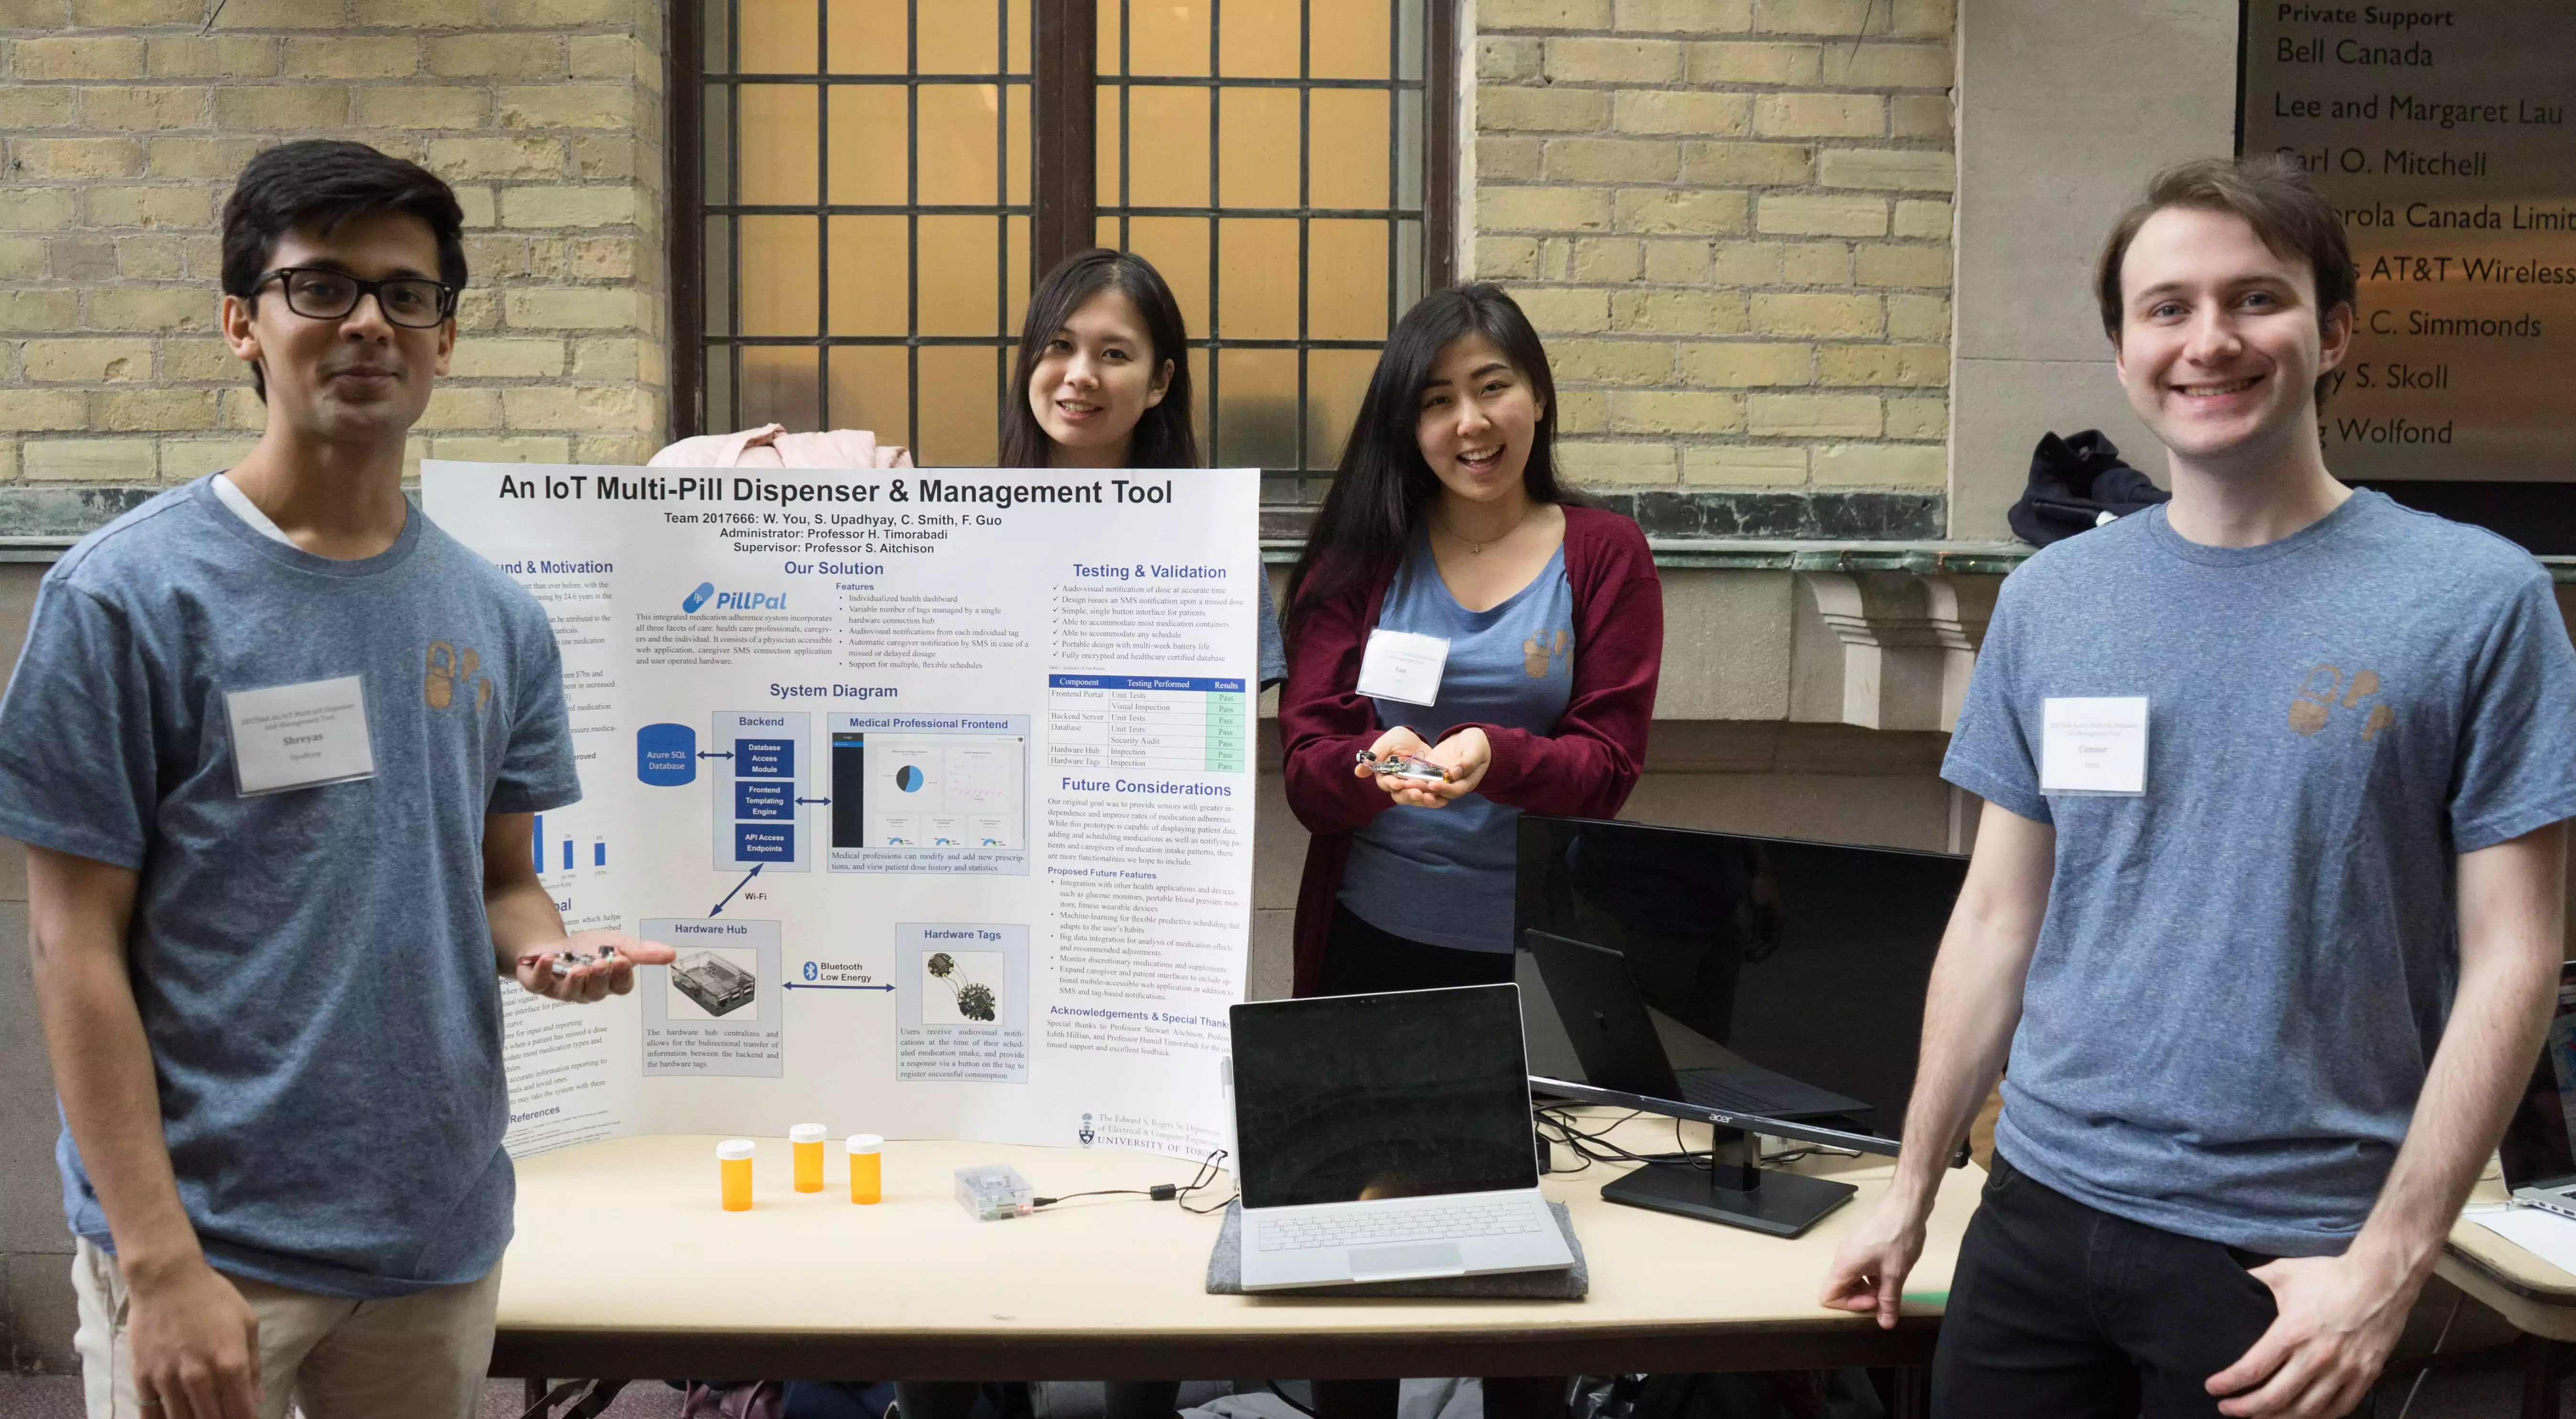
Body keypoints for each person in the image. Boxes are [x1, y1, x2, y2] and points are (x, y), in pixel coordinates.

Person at [1819, 154, 2576, 1419]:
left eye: (2254, 300)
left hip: (2281, 1260)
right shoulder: (2055, 600)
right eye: (2164, 307)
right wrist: (1906, 1188)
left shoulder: (2473, 602)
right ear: (2120, 353)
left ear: (2333, 331)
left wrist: (2387, 1269)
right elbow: (1999, 916)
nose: (2207, 340)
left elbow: (2512, 956)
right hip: (2034, 1226)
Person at [0, 139, 676, 1419]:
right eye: (321, 288)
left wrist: (545, 952)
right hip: (212, 1249)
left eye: (405, 293)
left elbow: (501, 882)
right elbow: (68, 942)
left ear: (445, 338)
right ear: (242, 324)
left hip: (429, 1242)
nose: (367, 321)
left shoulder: (495, 617)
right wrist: (157, 1259)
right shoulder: (127, 598)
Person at [1276, 283, 1662, 1419]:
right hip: (1371, 951)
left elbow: (1607, 767)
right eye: (1436, 399)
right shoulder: (1360, 555)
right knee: (1365, 1263)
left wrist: (1496, 751)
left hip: (1525, 969)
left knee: (1518, 1281)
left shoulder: (1601, 553)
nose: (1468, 420)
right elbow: (1305, 767)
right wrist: (1364, 764)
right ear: (1407, 424)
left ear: (1536, 397)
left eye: (1491, 385)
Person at [1003, 245, 1287, 690]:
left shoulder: (1216, 538)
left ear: (1159, 381)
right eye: (1060, 345)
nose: (1080, 374)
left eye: (1114, 354)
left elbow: (1225, 720)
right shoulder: (967, 528)